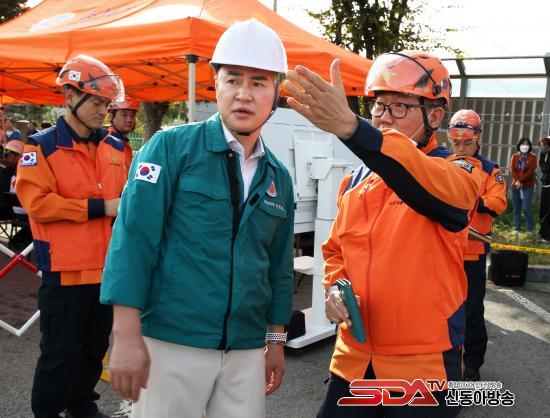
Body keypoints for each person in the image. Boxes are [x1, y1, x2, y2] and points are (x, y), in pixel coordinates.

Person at [100, 19, 294, 418]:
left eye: (259, 82)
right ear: (215, 83)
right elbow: (133, 241)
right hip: (172, 342)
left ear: (276, 92)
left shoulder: (278, 176)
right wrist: (126, 335)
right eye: (233, 79)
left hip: (245, 349)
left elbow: (278, 266)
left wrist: (275, 341)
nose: (244, 94)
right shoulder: (170, 148)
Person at [284, 51, 482, 417]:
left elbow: (430, 186)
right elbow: (336, 252)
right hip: (353, 359)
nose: (384, 117)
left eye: (399, 106)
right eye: (378, 106)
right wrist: (334, 289)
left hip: (422, 366)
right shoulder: (354, 181)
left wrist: (355, 130)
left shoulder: (458, 171)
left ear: (434, 116)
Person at [16, 54, 127, 418]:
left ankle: (82, 407)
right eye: (96, 103)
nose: (103, 111)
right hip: (65, 273)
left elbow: (127, 198)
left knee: (94, 349)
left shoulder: (114, 147)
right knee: (59, 354)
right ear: (69, 96)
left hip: (106, 272)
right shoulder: (41, 147)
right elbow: (38, 204)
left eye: (107, 104)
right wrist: (100, 207)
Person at [447, 109, 507, 381]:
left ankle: (471, 364)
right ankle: (443, 359)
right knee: (440, 308)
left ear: (478, 138)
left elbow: (499, 203)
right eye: (456, 142)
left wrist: (473, 198)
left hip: (472, 252)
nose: (461, 148)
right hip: (443, 251)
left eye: (467, 143)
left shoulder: (490, 169)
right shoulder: (442, 163)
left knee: (471, 311)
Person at [510, 137, 537, 233]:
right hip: (515, 186)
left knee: (526, 208)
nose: (524, 146)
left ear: (529, 146)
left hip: (527, 186)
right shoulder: (515, 156)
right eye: (523, 144)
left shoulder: (533, 157)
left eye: (526, 144)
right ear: (519, 145)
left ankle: (530, 228)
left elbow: (531, 172)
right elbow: (512, 170)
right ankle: (516, 228)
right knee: (516, 209)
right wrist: (517, 181)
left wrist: (521, 181)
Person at [108, 96, 139, 171]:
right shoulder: (105, 141)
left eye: (132, 115)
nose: (129, 120)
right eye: (124, 115)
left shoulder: (124, 144)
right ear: (111, 116)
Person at [538, 136, 550, 241]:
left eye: (545, 145)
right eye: (541, 145)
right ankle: (542, 233)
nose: (543, 147)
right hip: (544, 185)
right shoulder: (543, 156)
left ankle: (546, 235)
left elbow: (546, 169)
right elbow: (542, 168)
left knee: (548, 212)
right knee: (543, 210)